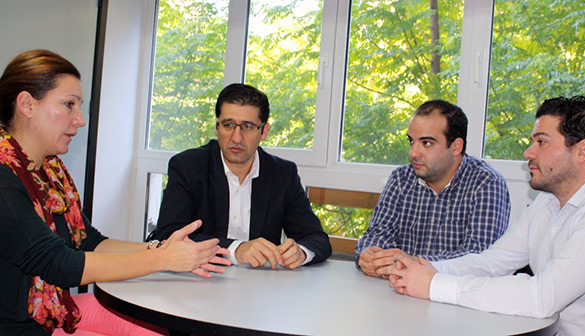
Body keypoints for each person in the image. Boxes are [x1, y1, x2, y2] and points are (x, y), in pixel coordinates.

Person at [0, 49, 232, 335]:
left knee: (158, 327)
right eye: (69, 104)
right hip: (17, 326)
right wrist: (162, 260)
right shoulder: (3, 175)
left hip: (53, 311)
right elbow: (57, 264)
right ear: (26, 104)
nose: (80, 119)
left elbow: (89, 242)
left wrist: (163, 248)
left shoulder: (50, 170)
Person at [387, 96, 585, 336]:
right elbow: (491, 263)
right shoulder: (547, 203)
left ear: (583, 151)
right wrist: (424, 268)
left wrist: (433, 284)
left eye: (541, 142)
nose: (528, 152)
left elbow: (542, 297)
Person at [155, 83, 331, 270]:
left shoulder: (283, 174)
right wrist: (236, 249)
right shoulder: (188, 166)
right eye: (228, 125)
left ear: (264, 131)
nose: (236, 137)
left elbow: (317, 239)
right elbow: (168, 234)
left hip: (259, 288)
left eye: (247, 126)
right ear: (217, 128)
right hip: (200, 280)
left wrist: (301, 252)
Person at [355, 99, 510, 278]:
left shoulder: (486, 183)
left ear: (456, 147)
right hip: (397, 292)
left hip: (454, 297)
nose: (414, 153)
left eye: (426, 143)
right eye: (411, 141)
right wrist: (370, 255)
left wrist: (415, 263)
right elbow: (378, 233)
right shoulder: (401, 178)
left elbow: (479, 258)